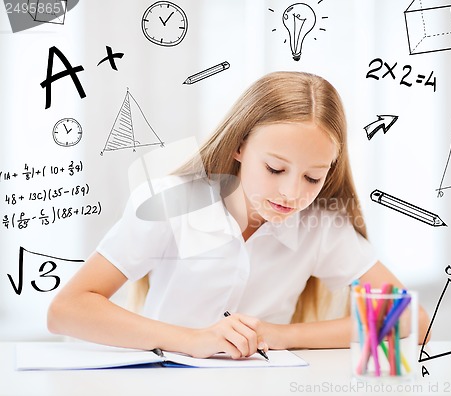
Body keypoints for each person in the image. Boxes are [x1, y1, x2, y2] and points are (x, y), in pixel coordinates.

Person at [47, 71, 430, 360]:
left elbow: (414, 320)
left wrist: (281, 335)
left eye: (313, 177)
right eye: (275, 169)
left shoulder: (322, 226)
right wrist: (193, 340)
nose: (292, 194)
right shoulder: (170, 203)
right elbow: (66, 311)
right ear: (240, 146)